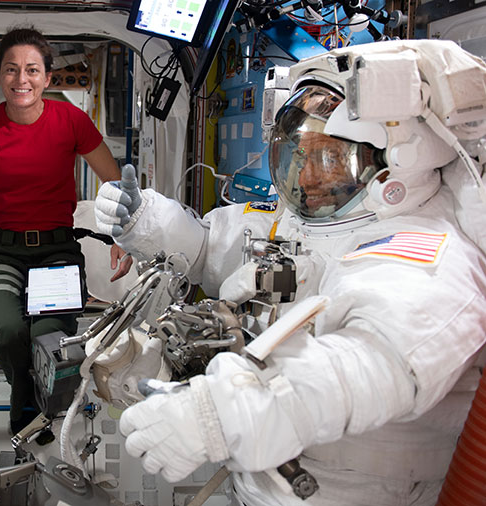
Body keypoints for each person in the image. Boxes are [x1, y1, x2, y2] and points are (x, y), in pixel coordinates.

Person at [95, 39, 486, 505]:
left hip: (350, 493)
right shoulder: (294, 221)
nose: (306, 176)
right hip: (263, 479)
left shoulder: (422, 249)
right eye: (298, 155)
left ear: (395, 161)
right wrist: (143, 220)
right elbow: (206, 247)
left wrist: (229, 414)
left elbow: (368, 365)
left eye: (327, 158)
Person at [0, 26, 132, 435]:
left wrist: (121, 236)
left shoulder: (71, 120)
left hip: (57, 250)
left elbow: (113, 181)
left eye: (31, 70)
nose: (21, 80)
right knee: (5, 330)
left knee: (48, 339)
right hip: (7, 251)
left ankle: (36, 416)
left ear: (47, 77)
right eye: (11, 70)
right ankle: (26, 394)